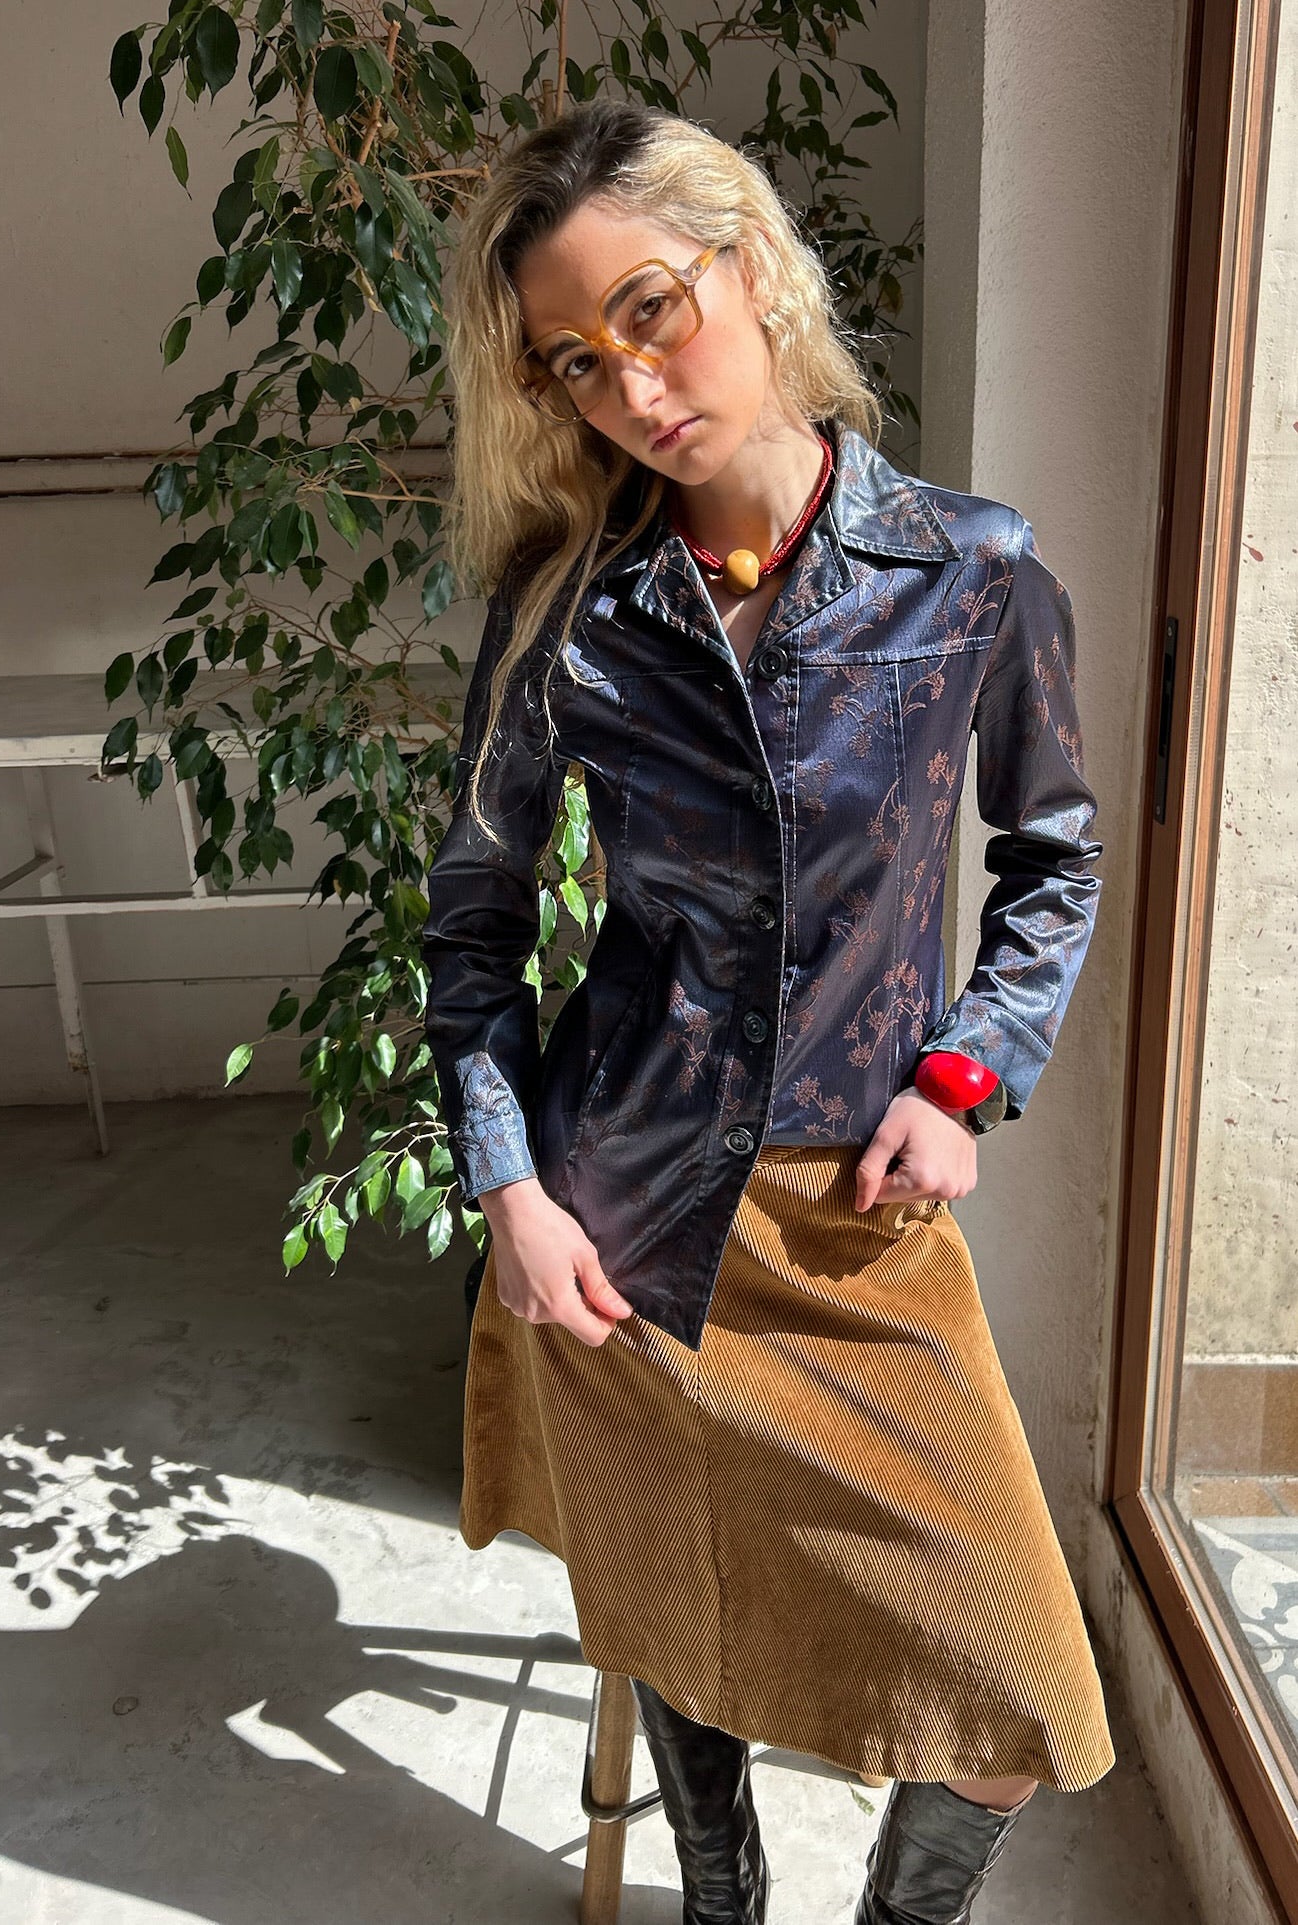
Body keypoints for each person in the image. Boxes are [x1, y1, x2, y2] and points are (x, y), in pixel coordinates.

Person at [422, 97, 1116, 1925]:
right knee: (675, 1604)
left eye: (649, 310)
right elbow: (475, 917)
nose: (630, 386)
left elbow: (1052, 857)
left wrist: (962, 1076)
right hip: (617, 1219)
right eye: (574, 361)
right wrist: (508, 1183)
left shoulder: (967, 571)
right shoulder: (564, 610)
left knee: (1015, 1689)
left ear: (744, 263)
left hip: (848, 1224)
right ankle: (718, 1894)